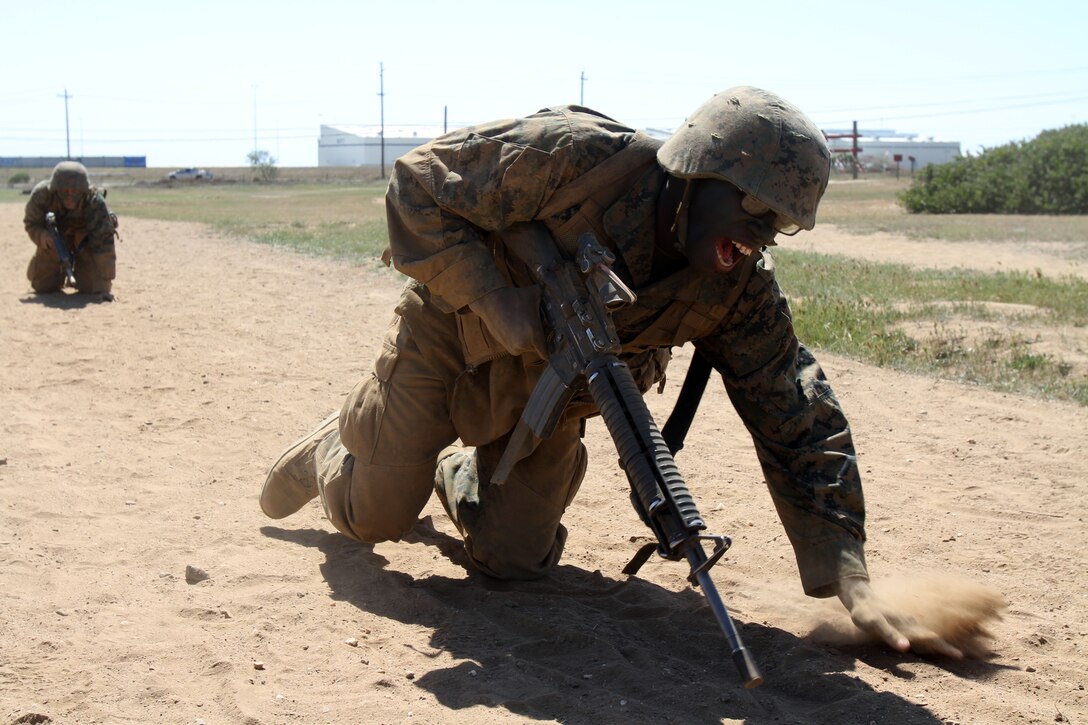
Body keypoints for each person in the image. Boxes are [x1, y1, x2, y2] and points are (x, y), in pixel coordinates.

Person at [261, 87, 971, 658]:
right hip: (450, 343)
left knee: (514, 562)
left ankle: (453, 470)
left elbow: (795, 410)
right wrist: (492, 295)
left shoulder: (736, 287)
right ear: (699, 171)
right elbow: (418, 182)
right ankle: (337, 447)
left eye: (779, 224)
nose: (758, 238)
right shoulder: (574, 158)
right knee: (375, 519)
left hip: (556, 395)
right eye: (754, 207)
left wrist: (847, 571)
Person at [23, 160, 117, 301]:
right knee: (43, 286)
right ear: (56, 189)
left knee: (95, 287)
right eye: (65, 191)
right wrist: (43, 237)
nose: (70, 196)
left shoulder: (94, 202)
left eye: (75, 191)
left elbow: (103, 241)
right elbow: (31, 223)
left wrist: (105, 279)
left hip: (85, 240)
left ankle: (84, 273)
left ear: (83, 190)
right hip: (55, 239)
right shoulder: (42, 195)